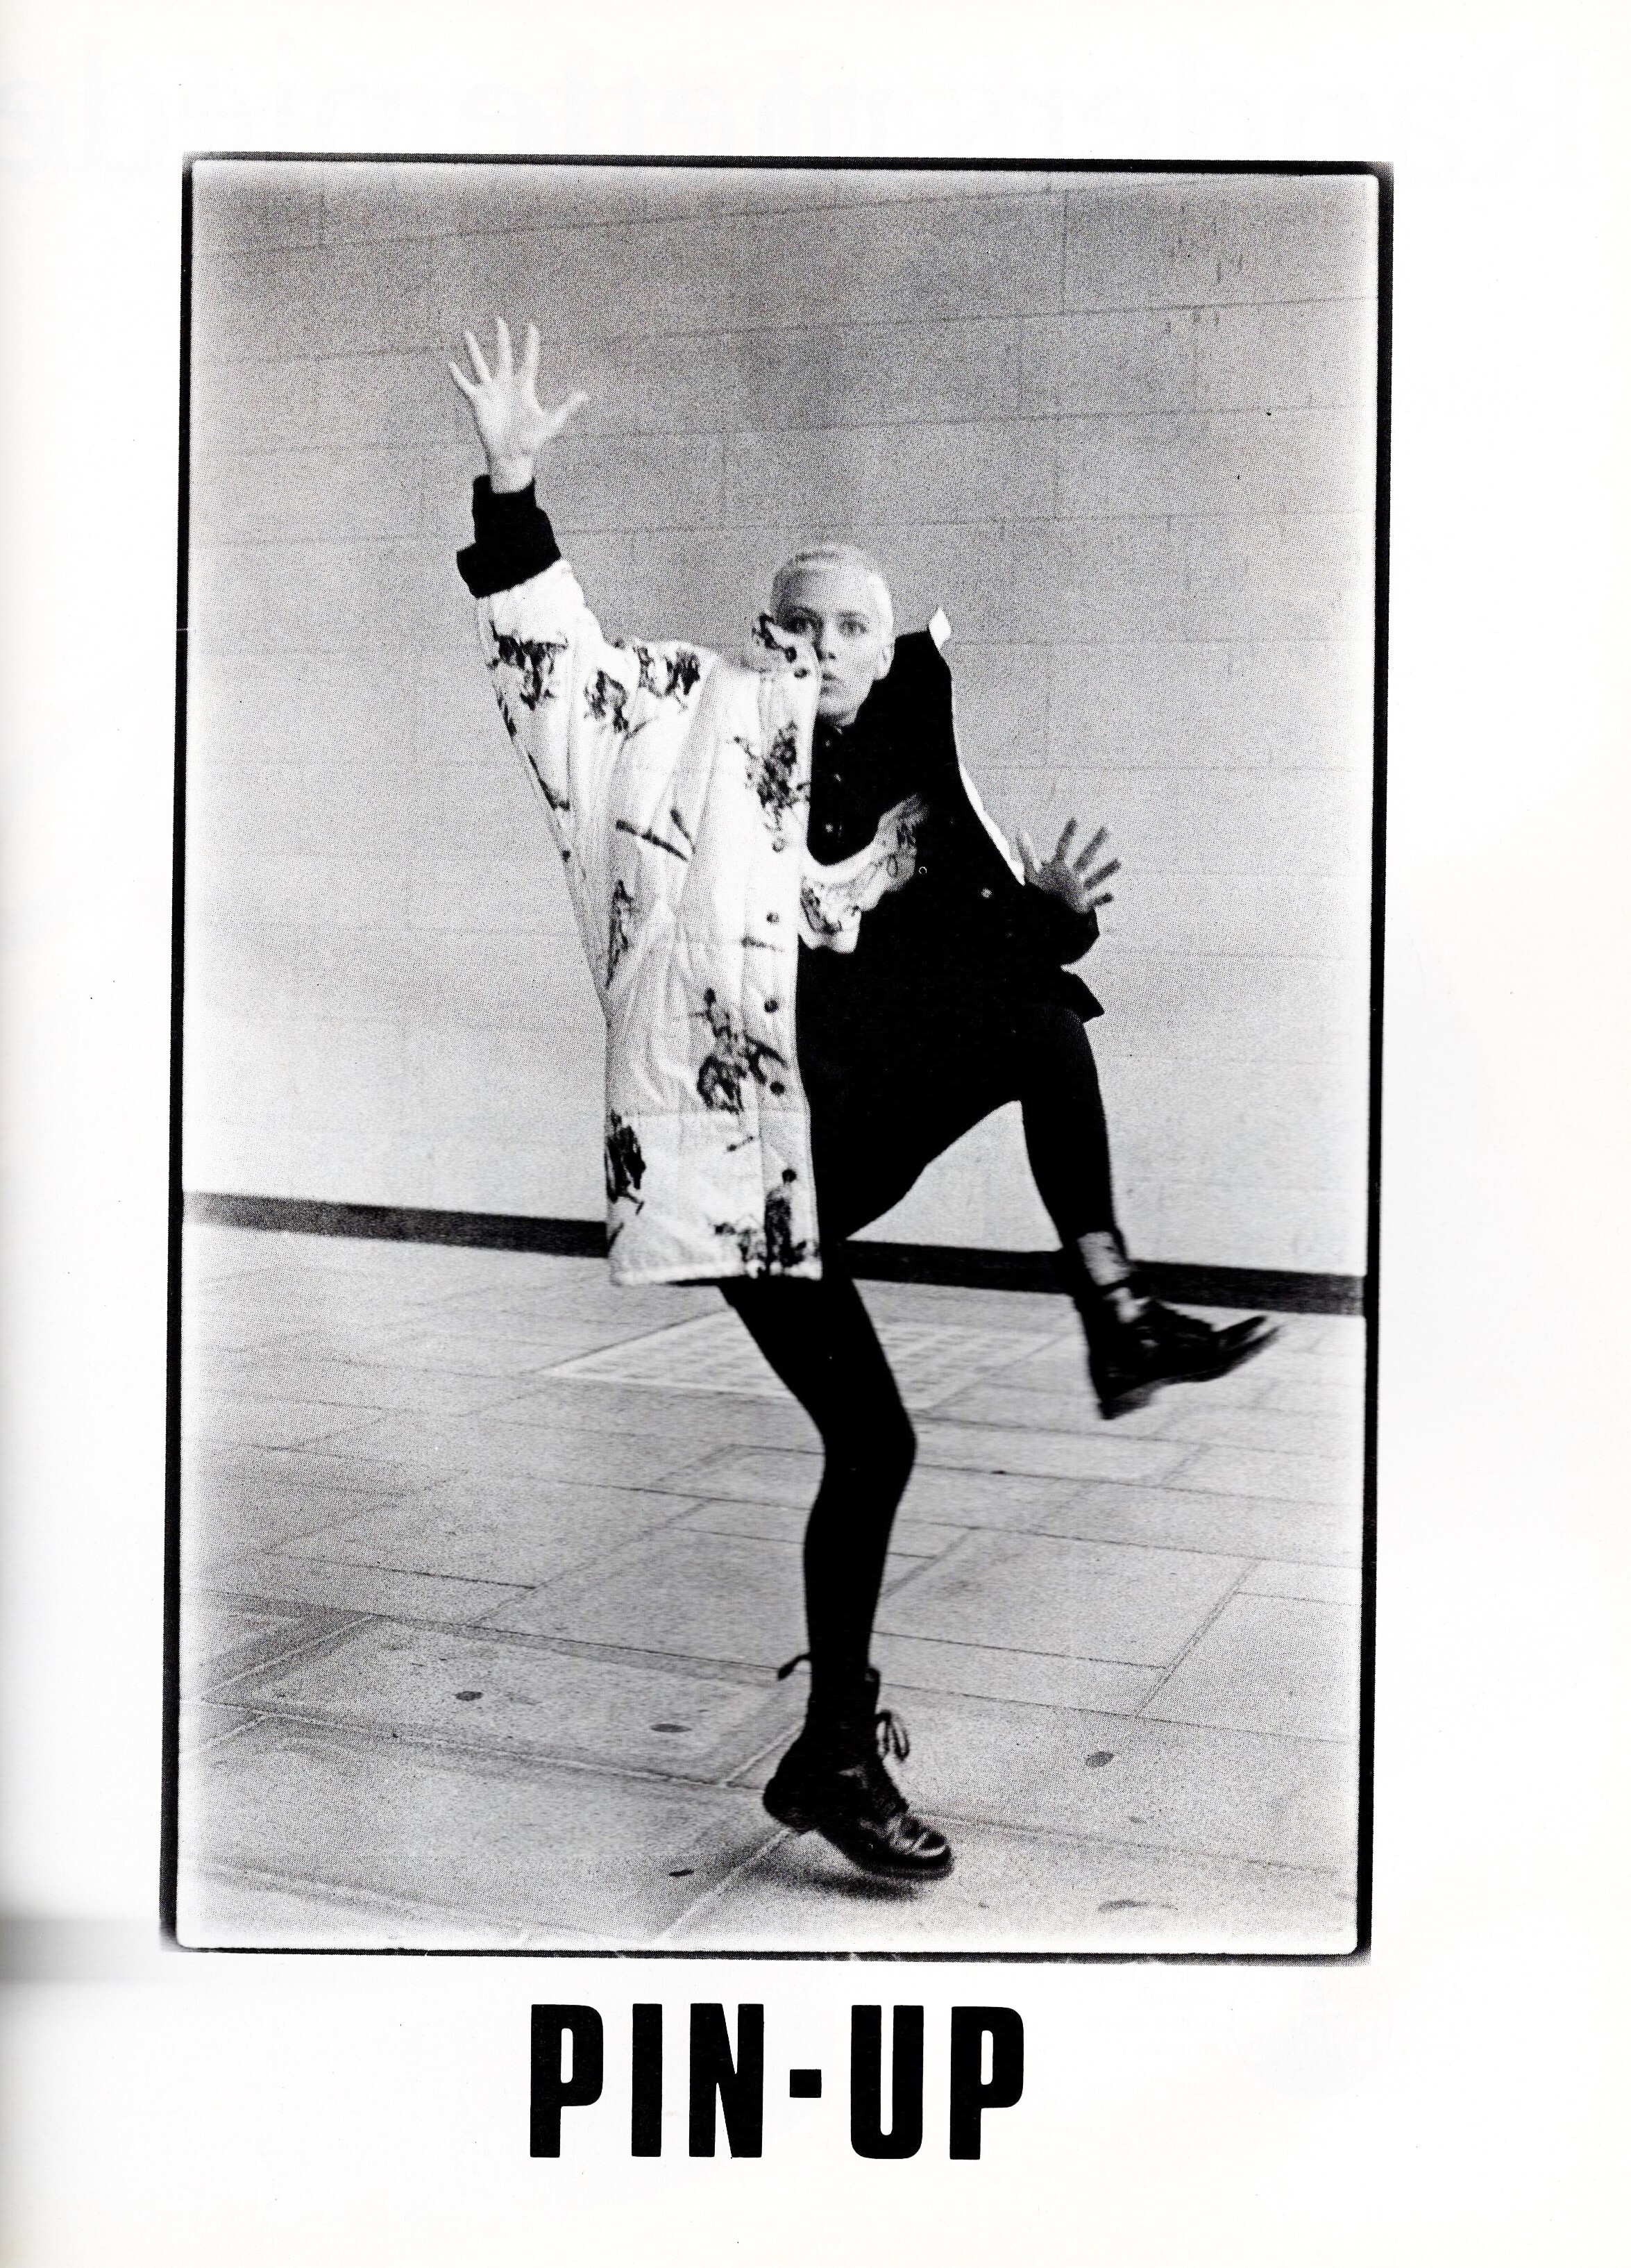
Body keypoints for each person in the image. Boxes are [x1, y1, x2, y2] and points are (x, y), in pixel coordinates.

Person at [448, 319, 1274, 1886]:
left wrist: (1050, 918)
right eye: (798, 623)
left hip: (841, 1140)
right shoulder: (679, 726)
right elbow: (551, 669)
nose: (821, 646)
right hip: (730, 1163)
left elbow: (972, 956)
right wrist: (511, 487)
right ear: (763, 633)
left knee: (1038, 1014)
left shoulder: (912, 781)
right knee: (876, 1443)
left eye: (850, 628)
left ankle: (1114, 1312)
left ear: (887, 650)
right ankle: (834, 1748)